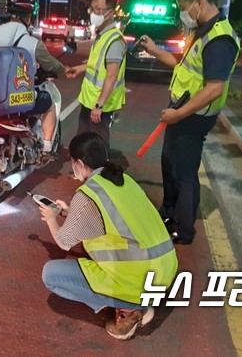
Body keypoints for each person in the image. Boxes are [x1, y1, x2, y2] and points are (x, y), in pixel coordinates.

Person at [38, 132, 178, 340]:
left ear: (79, 163)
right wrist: (71, 213)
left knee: (50, 275)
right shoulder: (124, 180)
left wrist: (51, 218)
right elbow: (117, 219)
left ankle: (131, 307)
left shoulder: (87, 194)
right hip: (165, 270)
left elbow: (63, 241)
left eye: (72, 163)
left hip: (138, 281)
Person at [139, 0, 240, 245]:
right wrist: (154, 50)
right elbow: (181, 64)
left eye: (183, 8)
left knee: (184, 172)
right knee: (169, 164)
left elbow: (214, 88)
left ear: (198, 2)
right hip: (182, 111)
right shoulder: (202, 31)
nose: (183, 14)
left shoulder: (219, 40)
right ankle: (170, 212)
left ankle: (184, 230)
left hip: (193, 117)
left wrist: (179, 114)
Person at [0, 0, 69, 155]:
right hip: (20, 99)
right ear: (28, 18)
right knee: (48, 102)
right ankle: (46, 147)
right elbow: (52, 64)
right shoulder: (33, 44)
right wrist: (65, 69)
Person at [65, 0, 127, 151]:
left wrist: (99, 106)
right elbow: (97, 64)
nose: (94, 13)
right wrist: (79, 69)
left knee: (98, 142)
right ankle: (85, 170)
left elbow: (112, 76)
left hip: (101, 102)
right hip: (89, 98)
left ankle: (100, 171)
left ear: (111, 12)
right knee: (84, 140)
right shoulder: (102, 35)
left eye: (99, 10)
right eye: (92, 9)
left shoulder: (114, 40)